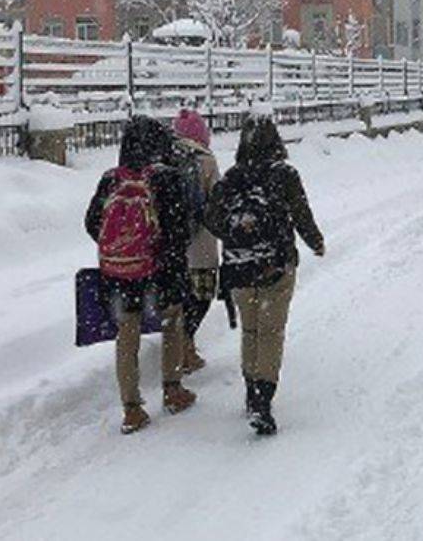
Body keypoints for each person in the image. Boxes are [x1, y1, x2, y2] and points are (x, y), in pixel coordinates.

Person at [205, 113, 325, 436]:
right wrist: (316, 242)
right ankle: (263, 399)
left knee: (251, 331)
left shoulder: (230, 178)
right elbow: (301, 214)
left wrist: (237, 232)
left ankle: (250, 390)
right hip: (276, 266)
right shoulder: (284, 175)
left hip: (239, 267)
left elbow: (212, 219)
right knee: (271, 333)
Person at [85, 116, 196, 435]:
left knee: (127, 334)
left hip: (118, 273)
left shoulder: (110, 179)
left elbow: (92, 222)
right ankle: (173, 390)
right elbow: (179, 229)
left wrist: (121, 247)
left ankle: (131, 409)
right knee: (172, 322)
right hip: (160, 270)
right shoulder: (166, 178)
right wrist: (160, 255)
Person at [173, 109, 221, 373]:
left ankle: (178, 346)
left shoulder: (165, 156)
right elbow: (217, 199)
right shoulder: (205, 160)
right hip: (200, 241)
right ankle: (186, 345)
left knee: (178, 296)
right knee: (201, 295)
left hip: (172, 242)